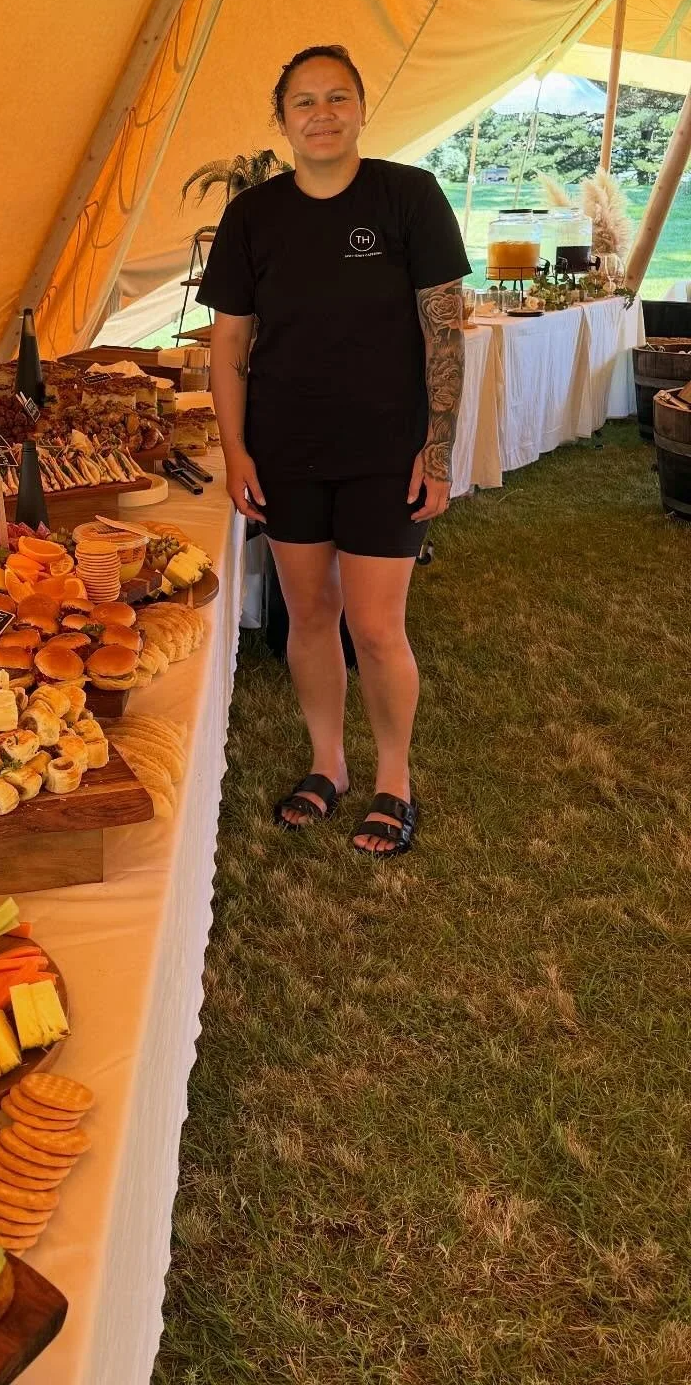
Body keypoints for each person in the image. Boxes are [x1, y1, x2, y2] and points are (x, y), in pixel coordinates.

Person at [200, 45, 469, 857]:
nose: (322, 114)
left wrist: (441, 449)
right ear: (281, 119)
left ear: (361, 109)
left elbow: (444, 330)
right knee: (309, 615)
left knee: (378, 627)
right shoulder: (255, 216)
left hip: (387, 450)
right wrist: (237, 450)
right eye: (305, 102)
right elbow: (228, 345)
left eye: (337, 98)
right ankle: (328, 764)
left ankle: (394, 776)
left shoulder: (408, 197)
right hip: (287, 450)